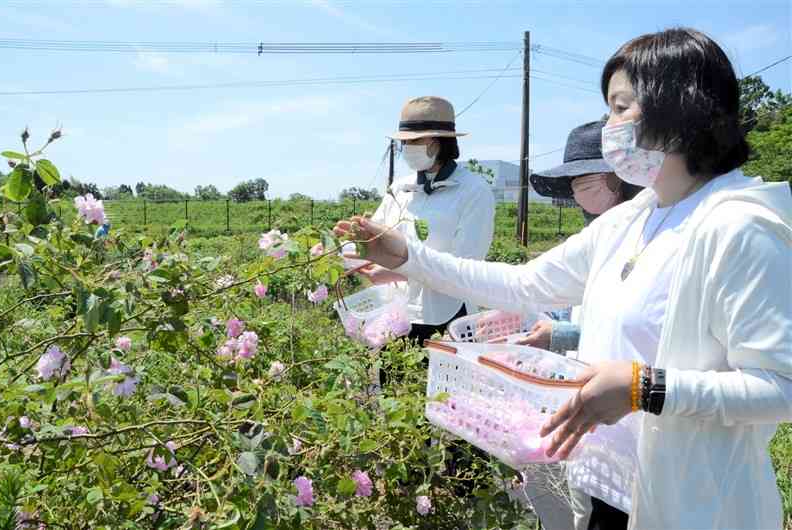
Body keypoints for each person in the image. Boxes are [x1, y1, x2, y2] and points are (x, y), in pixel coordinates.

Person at [336, 27, 792, 530]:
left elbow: (782, 385)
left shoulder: (739, 227)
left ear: (678, 109)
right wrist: (406, 256)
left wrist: (648, 389)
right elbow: (524, 283)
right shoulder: (633, 218)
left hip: (691, 505)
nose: (609, 126)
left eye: (621, 108)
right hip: (605, 487)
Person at [361, 96, 496, 345]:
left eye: (415, 141)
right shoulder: (400, 188)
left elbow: (466, 265)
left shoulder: (473, 191)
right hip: (397, 313)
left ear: (438, 143)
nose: (407, 148)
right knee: (393, 381)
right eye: (405, 143)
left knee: (438, 381)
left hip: (446, 313)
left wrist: (398, 272)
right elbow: (376, 237)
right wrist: (348, 248)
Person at [524, 121, 642, 355]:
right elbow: (566, 298)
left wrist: (565, 335)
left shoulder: (649, 239)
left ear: (619, 177)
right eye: (575, 182)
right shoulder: (593, 236)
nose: (580, 189)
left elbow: (641, 329)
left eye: (587, 178)